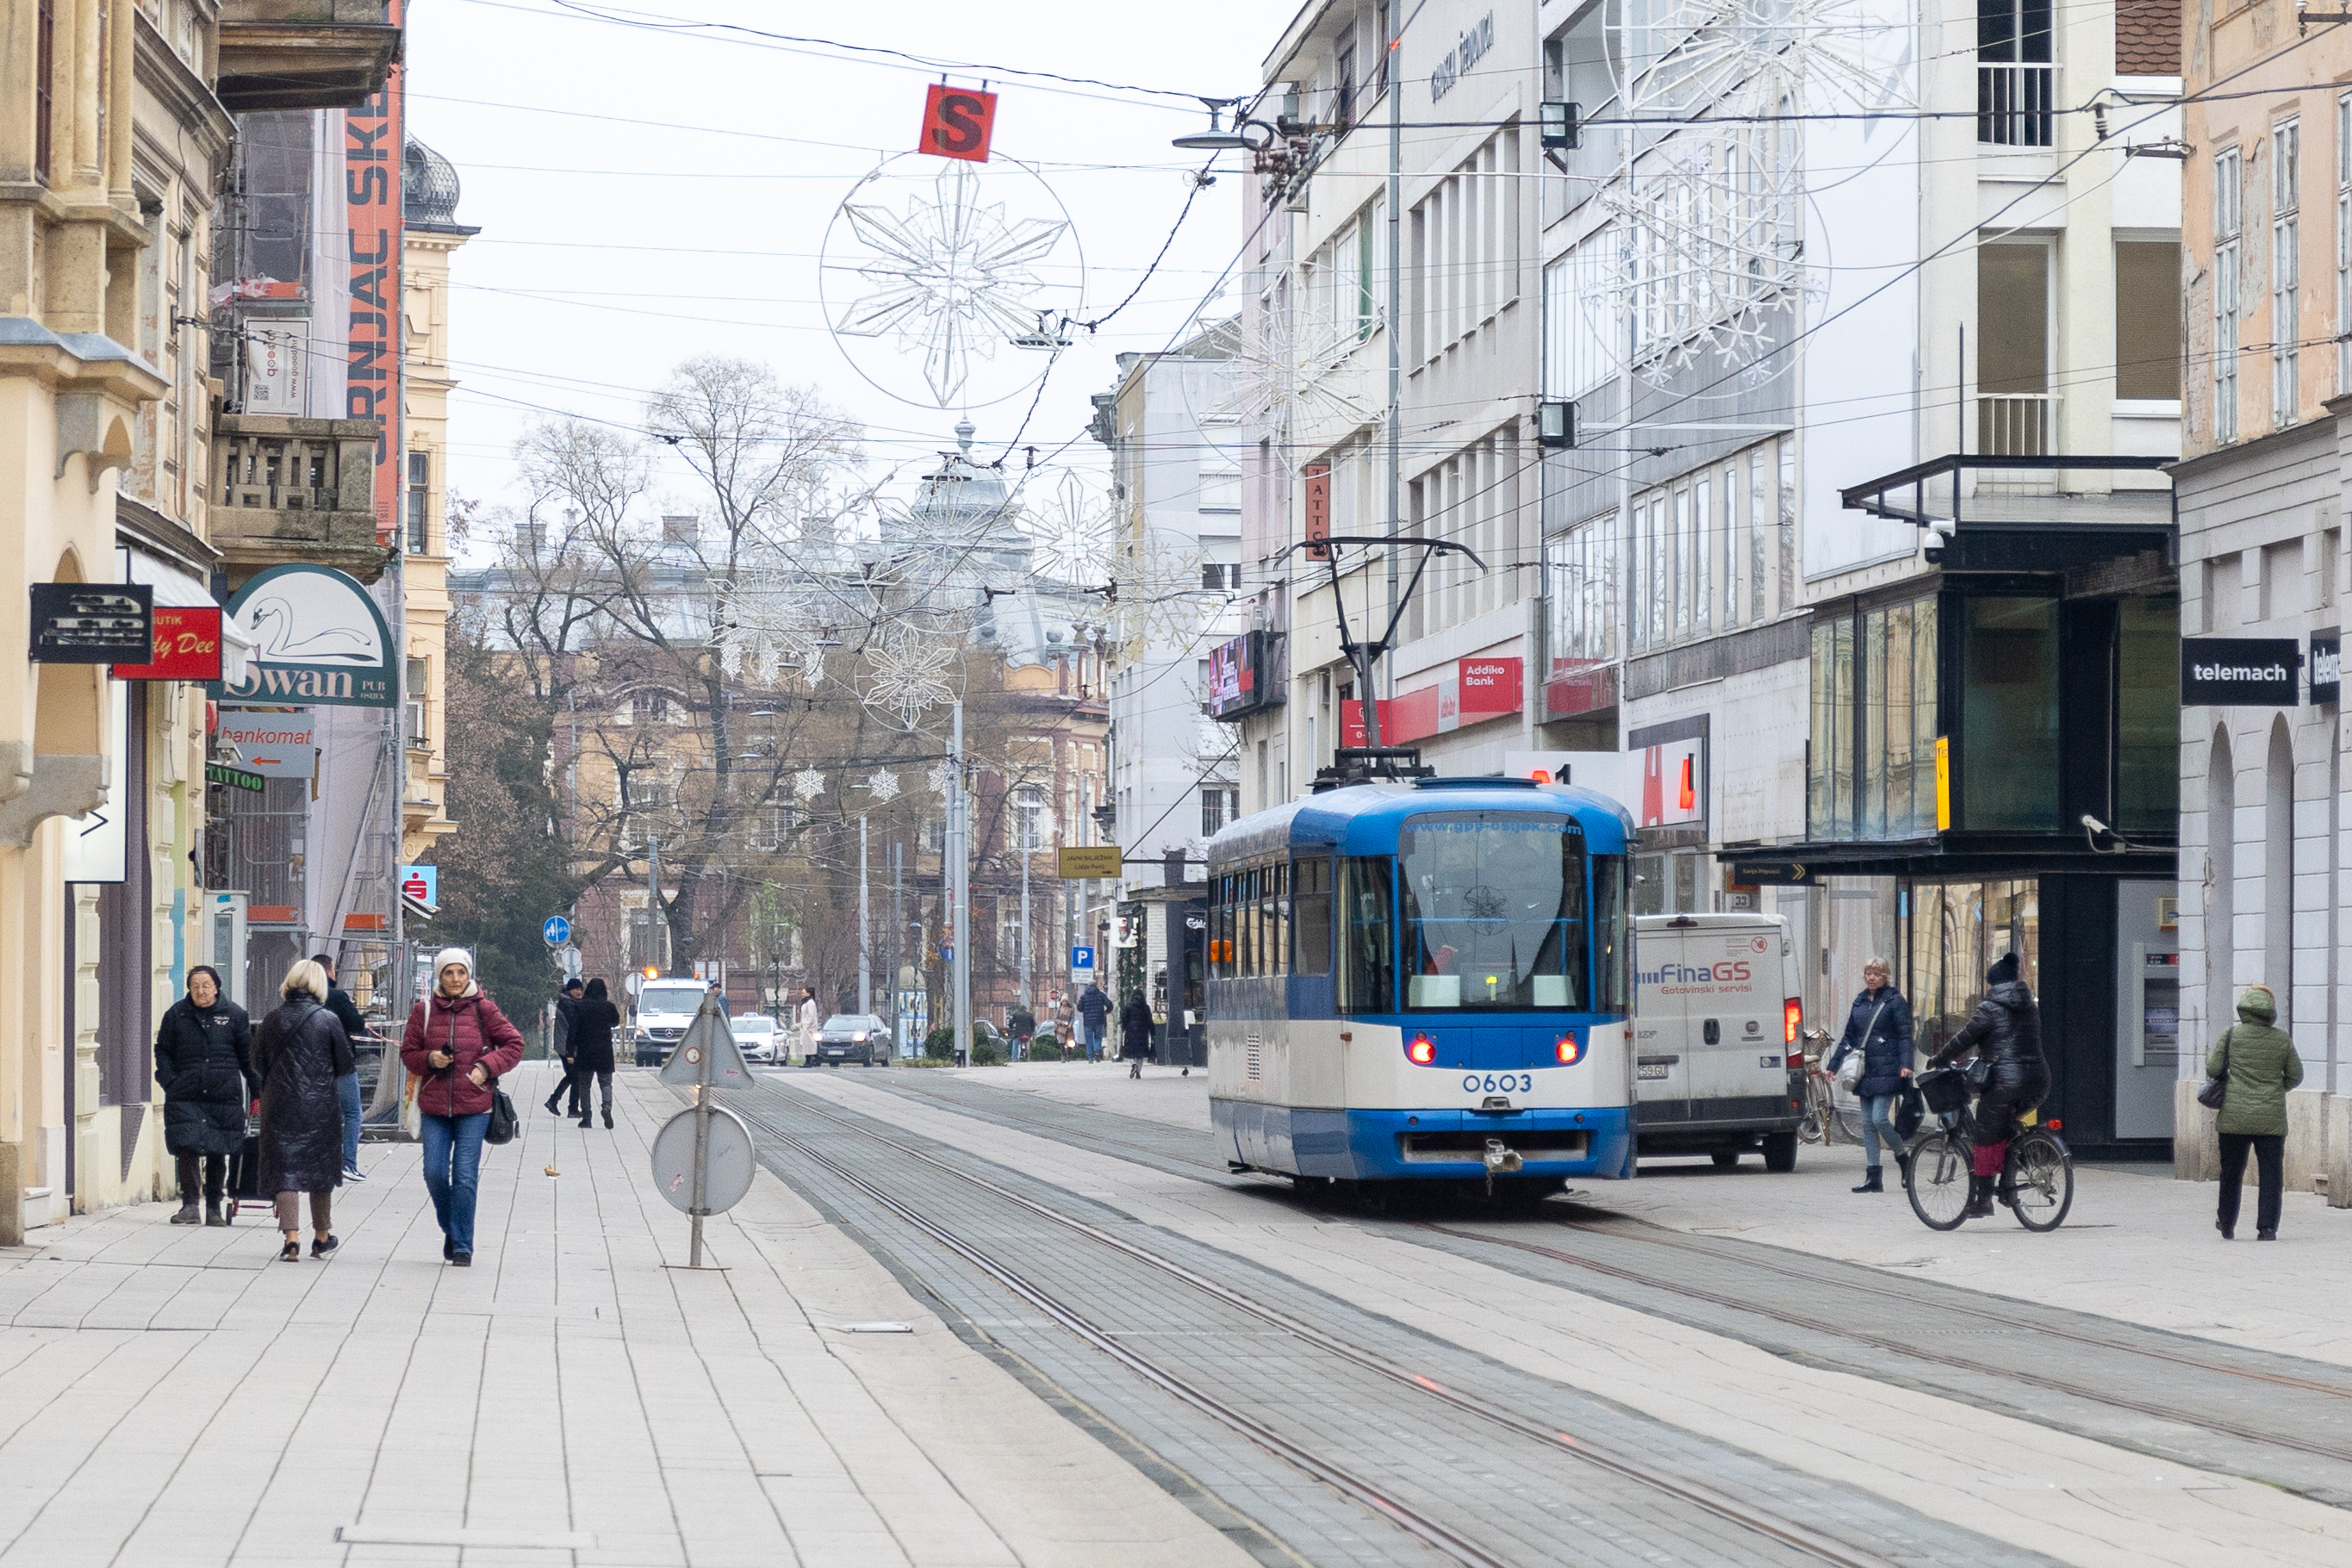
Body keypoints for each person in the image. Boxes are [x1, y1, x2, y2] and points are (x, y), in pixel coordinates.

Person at [400, 947, 526, 1266]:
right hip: (434, 1107)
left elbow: (515, 1045)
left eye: (461, 973)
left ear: (469, 975)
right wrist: (430, 1059)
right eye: (449, 973)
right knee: (434, 1173)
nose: (456, 979)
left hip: (475, 1108)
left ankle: (463, 1247)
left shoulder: (484, 1009)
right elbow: (408, 1053)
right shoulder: (424, 1011)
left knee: (466, 1177)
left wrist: (486, 1067)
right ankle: (452, 1229)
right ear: (439, 977)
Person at [1926, 951, 2050, 1221]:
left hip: (2006, 1083)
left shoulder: (1990, 1007)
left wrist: (1939, 1058)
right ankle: (2009, 1184)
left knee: (1984, 1135)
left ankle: (1983, 1201)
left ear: (1995, 985)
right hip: (2038, 1079)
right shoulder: (2030, 1006)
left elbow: (1964, 1038)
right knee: (2005, 1130)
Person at [253, 959, 353, 1262]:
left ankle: (291, 1239)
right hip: (319, 1106)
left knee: (286, 1171)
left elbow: (257, 1062)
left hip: (280, 1104)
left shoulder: (272, 1019)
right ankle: (321, 1237)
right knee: (319, 1171)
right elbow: (346, 1064)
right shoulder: (329, 1019)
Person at [153, 965, 256, 1227]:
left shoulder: (234, 1015)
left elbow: (248, 1057)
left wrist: (259, 1090)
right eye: (195, 985)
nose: (201, 991)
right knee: (186, 1145)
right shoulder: (177, 1015)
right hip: (185, 1094)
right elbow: (163, 1050)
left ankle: (214, 1207)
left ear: (217, 987)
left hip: (223, 1095)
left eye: (206, 985)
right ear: (189, 988)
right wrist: (170, 1081)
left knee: (217, 1149)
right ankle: (189, 1205)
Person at [2207, 984, 2303, 1241]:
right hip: (2270, 1119)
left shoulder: (2231, 1036)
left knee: (2231, 1172)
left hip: (2234, 1118)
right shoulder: (2282, 1039)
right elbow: (2296, 1076)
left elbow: (2213, 1067)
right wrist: (2275, 1088)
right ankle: (2267, 1228)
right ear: (2270, 1011)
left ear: (2245, 1009)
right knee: (2271, 1174)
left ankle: (2227, 1223)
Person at [1826, 955, 1915, 1194]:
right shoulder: (1860, 1002)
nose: (1872, 978)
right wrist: (1833, 1066)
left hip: (1888, 1068)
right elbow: (1849, 1038)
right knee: (1867, 1124)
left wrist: (1906, 1064)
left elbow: (1906, 1035)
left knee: (1879, 1119)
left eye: (1876, 974)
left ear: (1885, 976)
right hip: (1865, 1071)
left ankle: (1903, 1158)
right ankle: (1873, 1177)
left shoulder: (1895, 1001)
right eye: (1868, 974)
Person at [311, 952, 372, 1184]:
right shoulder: (336, 996)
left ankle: (321, 1163)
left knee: (323, 1115)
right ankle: (348, 1164)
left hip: (314, 1066)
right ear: (329, 971)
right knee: (353, 1113)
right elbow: (357, 1023)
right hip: (341, 1064)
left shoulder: (306, 998)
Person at [570, 978, 622, 1129]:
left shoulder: (580, 1007)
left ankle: (587, 1117)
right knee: (606, 1083)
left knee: (585, 1085)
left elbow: (574, 1030)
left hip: (585, 1051)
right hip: (604, 1051)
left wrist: (570, 1050)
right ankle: (607, 1108)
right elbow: (615, 1022)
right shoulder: (609, 1007)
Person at [543, 977, 584, 1117]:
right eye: (576, 990)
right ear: (570, 990)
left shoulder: (569, 1003)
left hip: (566, 1045)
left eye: (580, 989)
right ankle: (570, 1108)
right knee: (576, 1077)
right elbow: (574, 1026)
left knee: (573, 1076)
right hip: (567, 1046)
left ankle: (555, 1101)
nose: (579, 992)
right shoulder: (568, 1005)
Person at [1120, 990, 1156, 1080]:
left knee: (1131, 1052)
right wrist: (1152, 1032)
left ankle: (1133, 1065)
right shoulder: (1146, 1008)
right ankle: (1138, 1072)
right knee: (1140, 1054)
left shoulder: (1128, 1007)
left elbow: (1124, 1019)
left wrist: (1124, 1028)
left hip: (1131, 1032)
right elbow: (1150, 1021)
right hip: (1143, 1033)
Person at [1077, 981, 1110, 1063]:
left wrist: (1085, 1010)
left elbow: (1079, 1008)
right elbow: (1110, 1005)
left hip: (1088, 1021)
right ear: (1096, 986)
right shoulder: (1101, 995)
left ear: (1088, 986)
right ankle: (1097, 1051)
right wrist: (1106, 1012)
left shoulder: (1084, 997)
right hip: (1099, 1020)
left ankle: (1091, 1057)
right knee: (1098, 1037)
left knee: (1089, 1039)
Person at [796, 987, 820, 1068]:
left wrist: (807, 1025)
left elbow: (811, 1016)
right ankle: (810, 1060)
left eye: (804, 993)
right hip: (806, 1026)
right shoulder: (806, 1002)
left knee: (810, 1044)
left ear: (808, 994)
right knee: (806, 1044)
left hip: (809, 1028)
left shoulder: (811, 1003)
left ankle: (811, 1060)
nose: (802, 995)